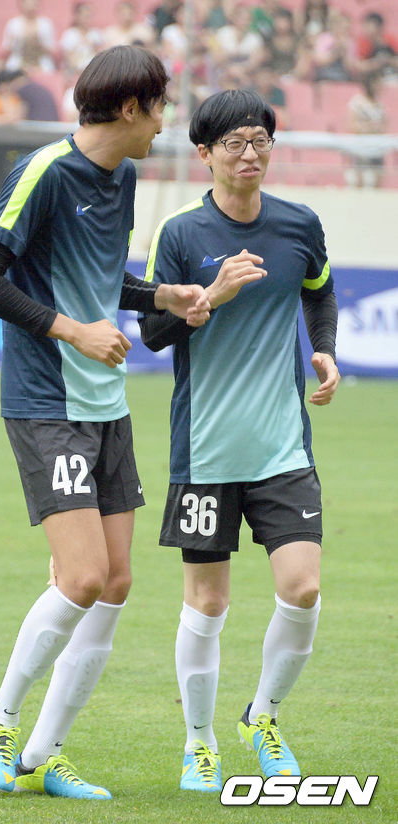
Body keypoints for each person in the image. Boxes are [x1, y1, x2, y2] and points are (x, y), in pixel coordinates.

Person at [0, 45, 210, 800]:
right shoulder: (42, 172)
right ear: (131, 107)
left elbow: (100, 281)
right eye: (160, 109)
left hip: (105, 404)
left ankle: (44, 754)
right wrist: (72, 331)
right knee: (82, 576)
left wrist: (160, 296)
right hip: (46, 400)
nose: (164, 125)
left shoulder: (123, 176)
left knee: (116, 582)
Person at [139, 88, 340, 792]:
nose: (249, 154)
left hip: (283, 447)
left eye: (260, 140)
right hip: (206, 450)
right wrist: (210, 299)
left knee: (303, 589)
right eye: (234, 143)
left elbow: (318, 288)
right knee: (208, 604)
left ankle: (264, 716)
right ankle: (199, 742)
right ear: (205, 153)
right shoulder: (181, 234)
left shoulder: (299, 224)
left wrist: (322, 347)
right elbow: (153, 333)